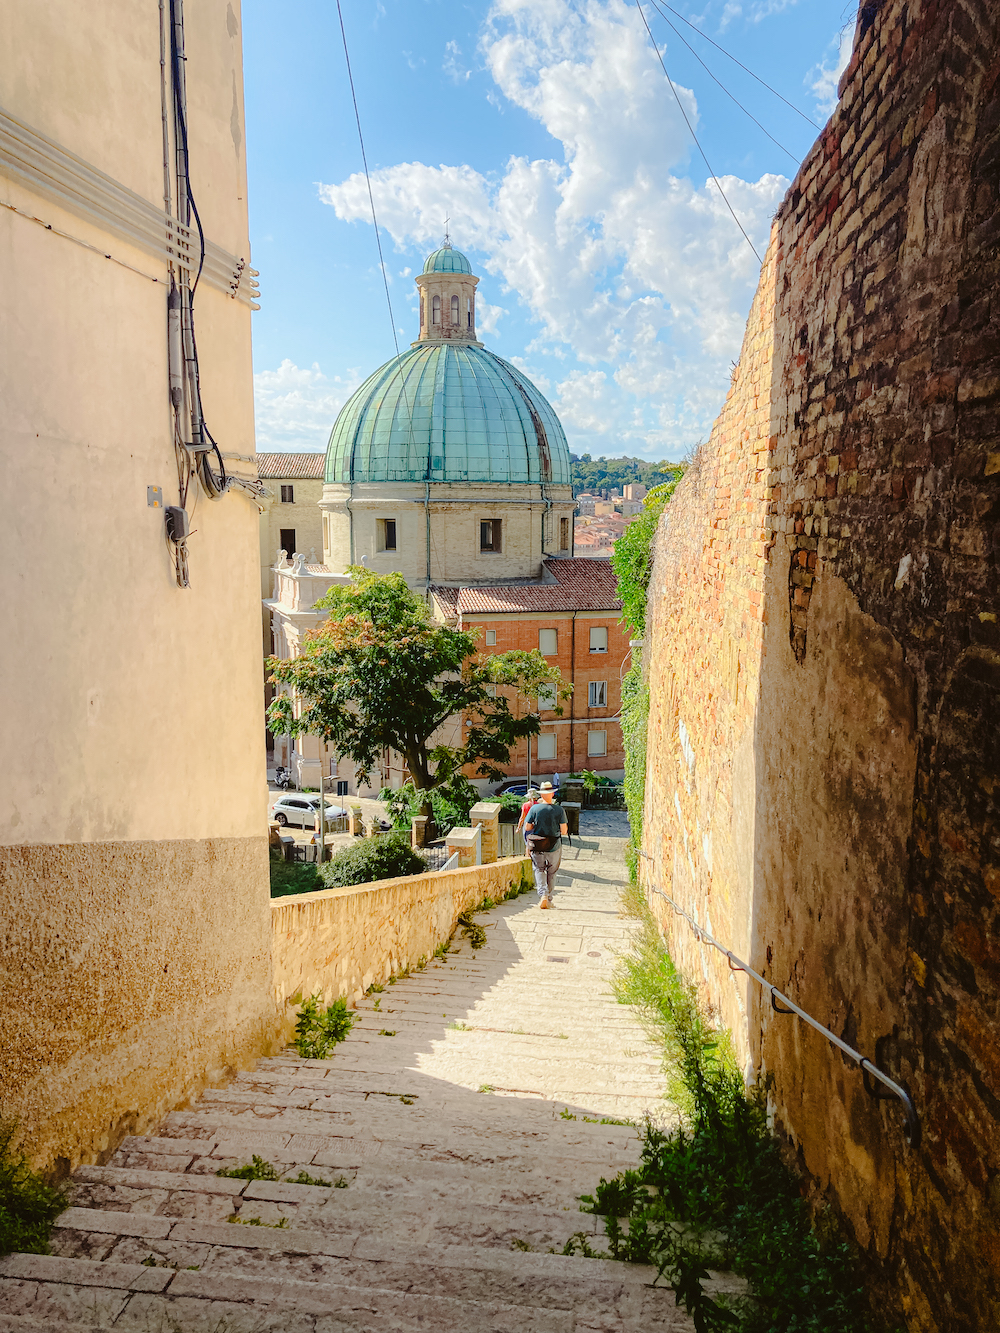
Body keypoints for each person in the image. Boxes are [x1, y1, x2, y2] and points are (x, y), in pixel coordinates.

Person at [523, 781, 567, 909]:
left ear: (541, 794)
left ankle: (543, 895)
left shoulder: (534, 809)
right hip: (554, 846)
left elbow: (527, 827)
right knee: (552, 872)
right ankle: (549, 899)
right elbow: (564, 831)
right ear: (552, 793)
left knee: (539, 869)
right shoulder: (559, 810)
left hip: (538, 845)